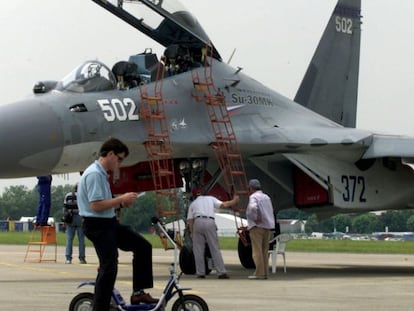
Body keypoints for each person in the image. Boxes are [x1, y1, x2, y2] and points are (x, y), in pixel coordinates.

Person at [77, 138, 158, 311]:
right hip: (97, 225)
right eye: (119, 159)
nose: (120, 163)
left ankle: (138, 293)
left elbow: (104, 204)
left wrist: (121, 203)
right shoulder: (94, 174)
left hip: (108, 223)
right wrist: (120, 200)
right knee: (109, 266)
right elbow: (96, 205)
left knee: (143, 247)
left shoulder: (101, 174)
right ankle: (100, 307)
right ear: (111, 154)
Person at [187, 188, 240, 279]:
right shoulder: (210, 199)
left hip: (198, 222)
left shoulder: (193, 204)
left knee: (198, 249)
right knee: (214, 247)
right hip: (209, 221)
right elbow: (223, 205)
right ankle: (221, 272)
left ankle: (200, 272)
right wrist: (234, 201)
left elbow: (190, 220)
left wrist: (192, 233)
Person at [246, 179, 275, 280]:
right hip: (267, 227)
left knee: (256, 250)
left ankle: (259, 272)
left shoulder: (253, 197)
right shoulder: (266, 197)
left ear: (251, 188)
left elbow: (253, 208)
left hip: (257, 227)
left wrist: (255, 217)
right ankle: (265, 272)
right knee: (264, 250)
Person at [63, 184, 86, 264]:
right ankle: (82, 258)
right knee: (81, 240)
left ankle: (68, 258)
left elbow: (65, 208)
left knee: (69, 239)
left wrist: (65, 220)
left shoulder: (68, 195)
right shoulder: (83, 195)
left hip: (70, 218)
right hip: (80, 217)